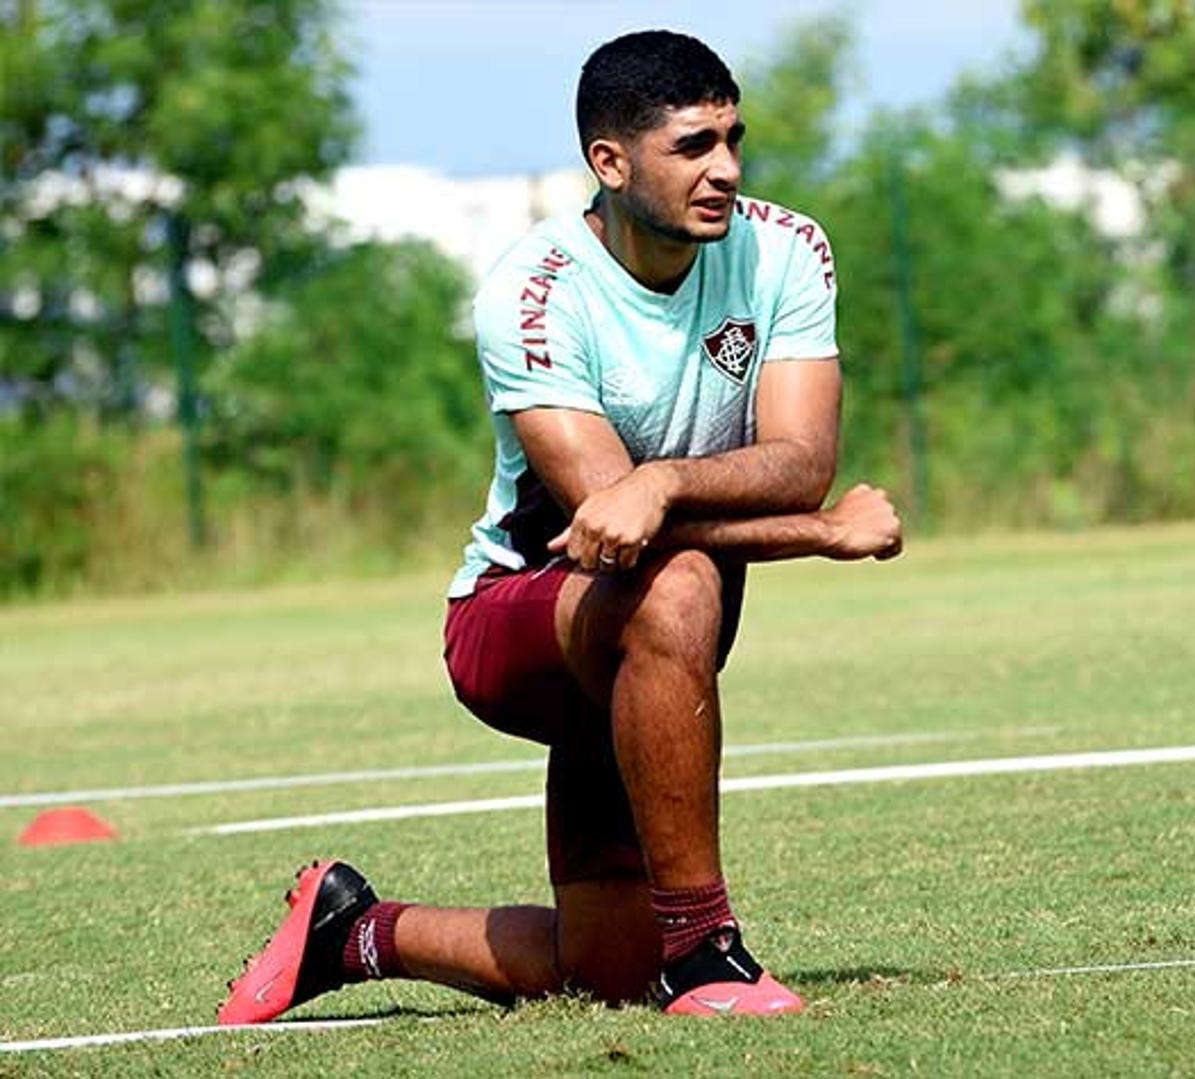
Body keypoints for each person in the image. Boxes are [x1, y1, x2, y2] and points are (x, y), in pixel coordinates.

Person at [218, 29, 902, 1024]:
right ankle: (709, 950)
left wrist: (669, 480)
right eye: (693, 146)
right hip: (522, 620)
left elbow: (800, 461)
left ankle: (354, 928)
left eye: (733, 138)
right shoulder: (533, 291)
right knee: (673, 583)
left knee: (611, 970)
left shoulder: (788, 249)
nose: (727, 168)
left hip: (653, 660)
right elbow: (611, 531)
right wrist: (819, 533)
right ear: (609, 162)